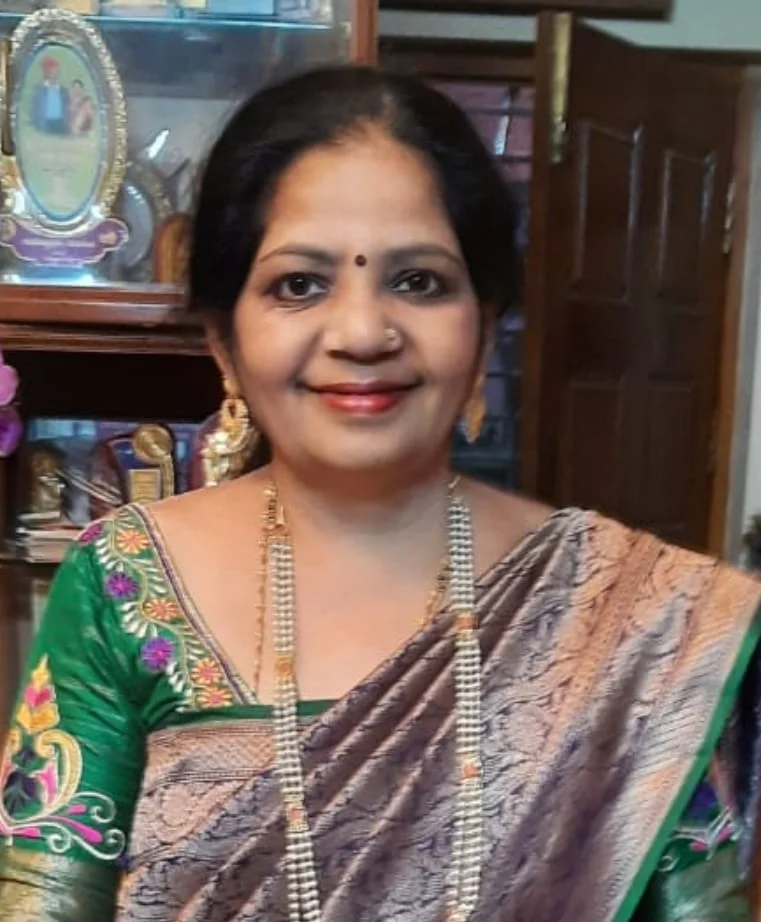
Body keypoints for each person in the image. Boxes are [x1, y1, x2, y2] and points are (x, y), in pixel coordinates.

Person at [0, 66, 759, 922]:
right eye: (298, 284)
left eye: (419, 281)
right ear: (223, 340)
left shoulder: (626, 619)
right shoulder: (125, 582)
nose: (362, 332)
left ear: (484, 329)